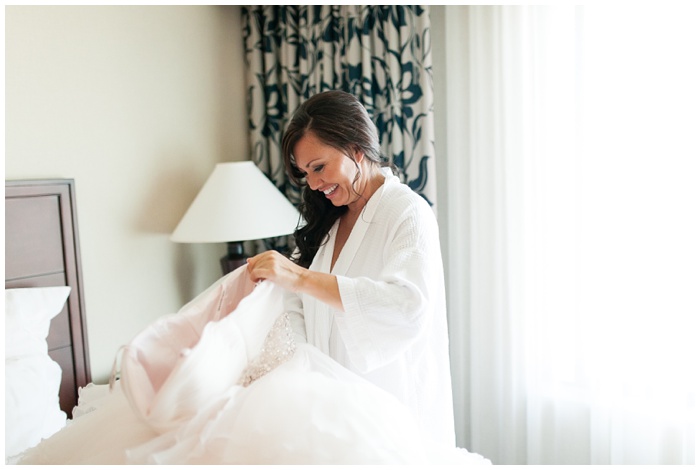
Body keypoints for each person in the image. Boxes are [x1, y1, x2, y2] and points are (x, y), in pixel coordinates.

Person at [246, 90, 456, 446]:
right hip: (329, 412)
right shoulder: (329, 221)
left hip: (387, 413)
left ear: (356, 148)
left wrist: (299, 277)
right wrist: (303, 368)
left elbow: (406, 306)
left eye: (319, 167)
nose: (312, 184)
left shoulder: (407, 213)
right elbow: (294, 302)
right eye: (304, 173)